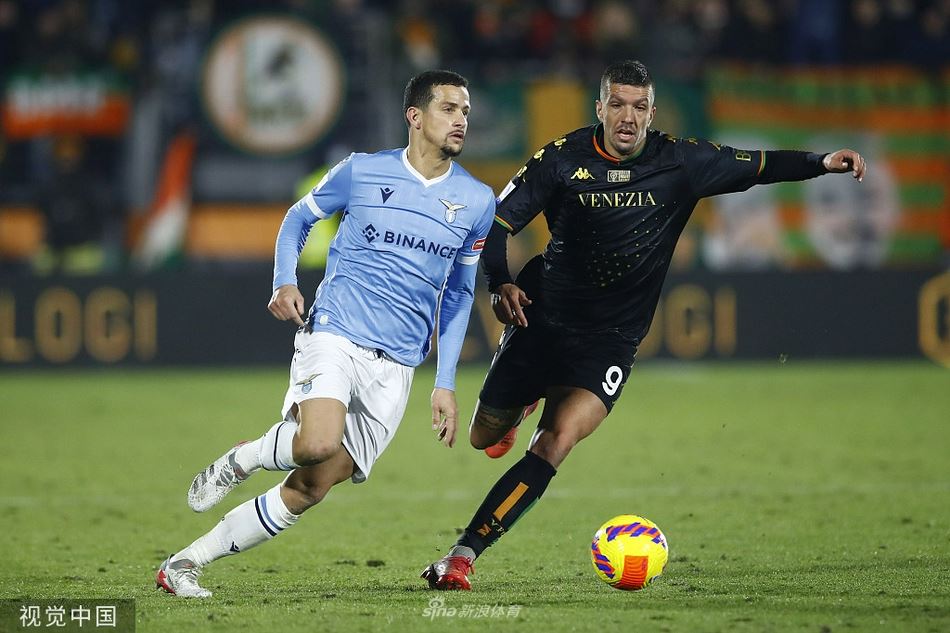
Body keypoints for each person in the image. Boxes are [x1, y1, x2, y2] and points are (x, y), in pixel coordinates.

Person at [421, 59, 866, 590]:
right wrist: (500, 282)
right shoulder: (561, 159)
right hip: (541, 318)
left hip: (611, 339)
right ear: (600, 107)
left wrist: (822, 162)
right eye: (618, 104)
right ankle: (520, 403)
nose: (627, 116)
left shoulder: (680, 161)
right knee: (483, 436)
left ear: (652, 113)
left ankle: (462, 556)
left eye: (639, 106)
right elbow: (495, 223)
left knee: (555, 442)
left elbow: (759, 165)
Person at [155, 69, 495, 598]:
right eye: (448, 109)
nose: (460, 121)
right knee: (316, 442)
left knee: (312, 485)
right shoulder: (362, 171)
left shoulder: (477, 200)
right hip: (335, 331)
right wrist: (284, 280)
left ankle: (183, 563)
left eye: (465, 112)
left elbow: (458, 294)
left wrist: (445, 383)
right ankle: (245, 458)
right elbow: (297, 219)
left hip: (397, 365)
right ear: (415, 116)